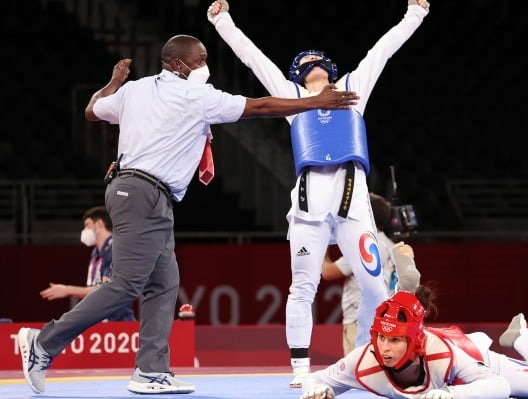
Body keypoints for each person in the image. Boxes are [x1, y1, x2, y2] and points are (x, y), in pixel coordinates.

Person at [17, 33, 359, 395]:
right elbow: (259, 107)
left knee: (163, 285)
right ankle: (42, 344)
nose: (205, 66)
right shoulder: (196, 96)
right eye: (200, 60)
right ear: (178, 64)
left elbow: (92, 110)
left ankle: (150, 371)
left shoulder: (135, 90)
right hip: (140, 192)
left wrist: (114, 83)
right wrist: (313, 102)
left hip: (149, 195)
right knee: (127, 284)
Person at [207, 0, 430, 386]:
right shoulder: (292, 98)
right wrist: (222, 20)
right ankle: (299, 369)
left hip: (354, 207)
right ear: (298, 73)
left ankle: (364, 355)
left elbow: (383, 49)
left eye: (319, 63)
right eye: (307, 65)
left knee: (376, 287)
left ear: (330, 69)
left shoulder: (353, 89)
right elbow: (253, 59)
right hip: (309, 208)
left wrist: (415, 14)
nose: (314, 68)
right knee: (302, 286)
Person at [301, 289, 528, 399]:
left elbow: (500, 387)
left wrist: (451, 395)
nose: (384, 348)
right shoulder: (364, 360)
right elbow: (314, 378)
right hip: (451, 368)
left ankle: (522, 337)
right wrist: (317, 389)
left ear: (414, 342)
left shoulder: (442, 355)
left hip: (474, 362)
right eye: (381, 338)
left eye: (395, 340)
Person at [322, 193, 421, 355]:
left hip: (359, 320)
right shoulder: (391, 245)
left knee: (357, 373)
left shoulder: (366, 246)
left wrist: (323, 241)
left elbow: (327, 272)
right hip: (385, 320)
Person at [39, 206, 135, 322]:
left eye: (87, 225)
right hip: (99, 321)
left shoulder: (115, 250)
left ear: (99, 224)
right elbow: (94, 290)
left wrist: (67, 290)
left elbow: (106, 290)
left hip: (118, 323)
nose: (84, 231)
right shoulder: (96, 253)